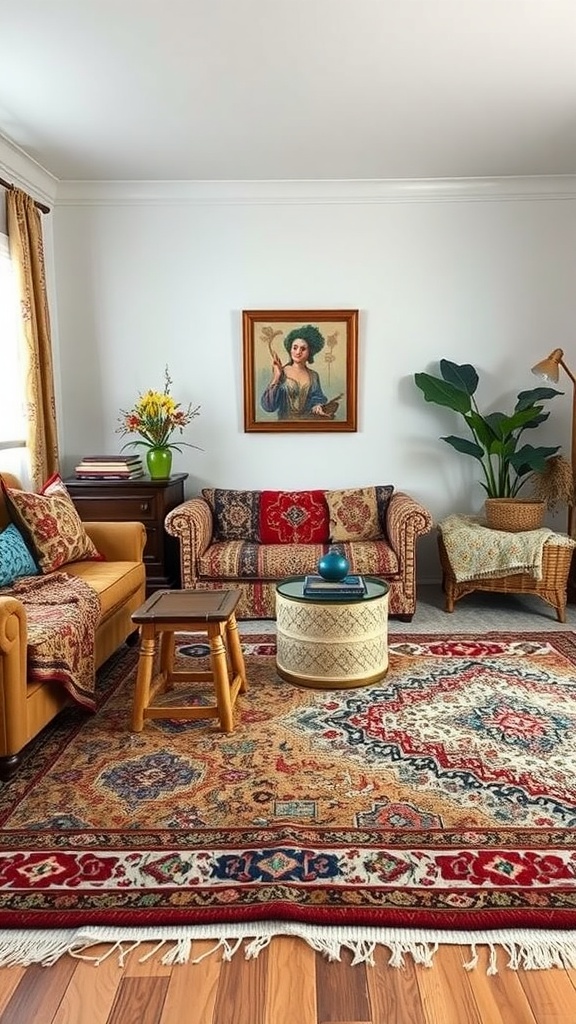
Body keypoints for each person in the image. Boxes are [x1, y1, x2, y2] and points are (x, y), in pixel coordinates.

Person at [260, 324, 334, 421]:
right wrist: (276, 376)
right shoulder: (282, 372)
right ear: (290, 349)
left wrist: (317, 406)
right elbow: (269, 406)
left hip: (308, 425)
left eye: (303, 349)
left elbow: (317, 397)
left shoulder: (313, 376)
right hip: (284, 426)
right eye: (295, 347)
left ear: (310, 352)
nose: (298, 352)